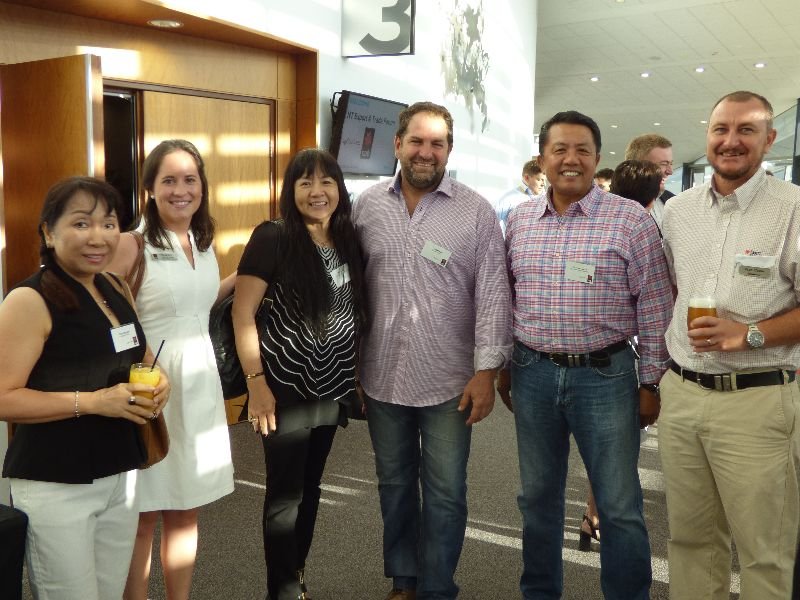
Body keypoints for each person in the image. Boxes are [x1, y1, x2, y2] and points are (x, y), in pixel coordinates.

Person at [498, 110, 672, 599]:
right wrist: (506, 366)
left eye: (582, 150)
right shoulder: (520, 220)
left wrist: (651, 383)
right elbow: (508, 297)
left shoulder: (630, 220)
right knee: (537, 500)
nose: (570, 159)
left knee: (618, 505)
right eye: (560, 150)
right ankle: (539, 592)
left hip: (606, 376)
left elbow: (655, 306)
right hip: (532, 372)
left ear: (597, 159)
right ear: (542, 159)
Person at [353, 101, 512, 600]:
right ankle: (404, 581)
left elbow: (493, 295)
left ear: (449, 149)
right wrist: (350, 362)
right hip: (380, 375)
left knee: (445, 493)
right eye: (417, 141)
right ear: (398, 144)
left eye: (437, 143)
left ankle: (438, 588)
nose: (426, 152)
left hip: (450, 381)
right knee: (394, 485)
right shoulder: (365, 206)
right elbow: (351, 288)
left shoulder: (476, 212)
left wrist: (487, 371)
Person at [0, 176, 170, 599]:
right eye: (81, 223)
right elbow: (3, 397)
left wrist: (160, 380)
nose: (98, 237)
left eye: (109, 224)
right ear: (48, 232)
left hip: (119, 473)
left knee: (109, 592)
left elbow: (144, 357)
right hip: (57, 481)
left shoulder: (113, 286)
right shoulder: (30, 300)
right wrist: (93, 402)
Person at [660, 90, 800, 599]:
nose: (731, 141)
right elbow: (672, 285)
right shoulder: (678, 211)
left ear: (770, 138)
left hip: (757, 399)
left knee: (764, 551)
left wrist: (749, 333)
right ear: (708, 135)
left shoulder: (793, 208)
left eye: (746, 130)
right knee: (690, 542)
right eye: (721, 129)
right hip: (683, 393)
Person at [232, 148, 366, 600]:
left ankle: (297, 576)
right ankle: (282, 590)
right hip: (283, 387)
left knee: (311, 486)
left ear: (339, 189)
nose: (317, 191)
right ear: (291, 190)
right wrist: (256, 386)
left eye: (326, 181)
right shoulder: (273, 236)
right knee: (285, 493)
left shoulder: (346, 238)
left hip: (332, 385)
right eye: (305, 182)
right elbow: (242, 313)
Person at [107, 139, 235, 600]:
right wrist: (143, 362)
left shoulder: (202, 242)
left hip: (199, 386)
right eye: (169, 180)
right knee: (142, 513)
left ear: (202, 186)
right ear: (150, 188)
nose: (181, 190)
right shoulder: (132, 244)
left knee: (185, 508)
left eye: (190, 180)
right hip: (152, 389)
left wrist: (244, 276)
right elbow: (107, 315)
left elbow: (197, 304)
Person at [576, 157, 666, 552]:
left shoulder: (617, 224)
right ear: (656, 192)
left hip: (614, 353)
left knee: (607, 450)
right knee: (617, 452)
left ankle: (592, 512)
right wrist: (652, 381)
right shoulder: (649, 226)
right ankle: (596, 513)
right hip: (623, 358)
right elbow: (655, 306)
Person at [624, 133, 675, 228]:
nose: (670, 171)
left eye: (671, 164)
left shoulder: (673, 201)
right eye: (663, 164)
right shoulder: (615, 206)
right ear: (636, 166)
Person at [494, 160, 546, 234]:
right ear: (527, 178)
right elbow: (489, 224)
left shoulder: (548, 199)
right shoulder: (508, 199)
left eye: (544, 180)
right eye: (539, 180)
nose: (543, 184)